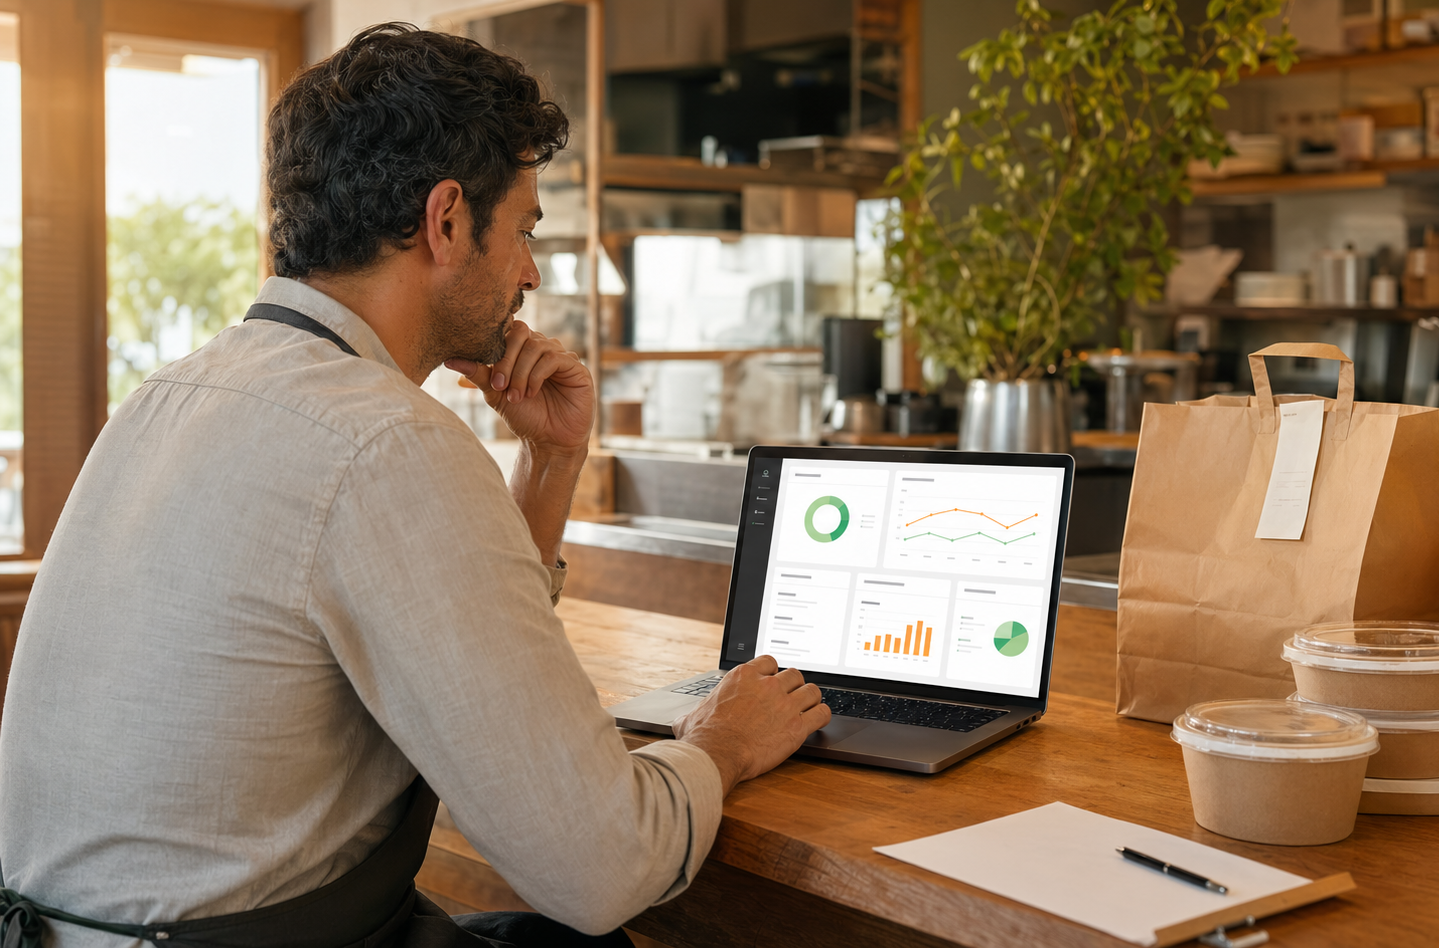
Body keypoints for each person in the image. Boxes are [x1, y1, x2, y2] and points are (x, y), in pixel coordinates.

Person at [0, 23, 829, 948]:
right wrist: (719, 742)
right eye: (521, 230)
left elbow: (464, 673)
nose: (530, 270)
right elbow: (603, 867)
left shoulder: (169, 395)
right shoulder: (382, 439)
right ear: (445, 221)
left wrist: (549, 464)